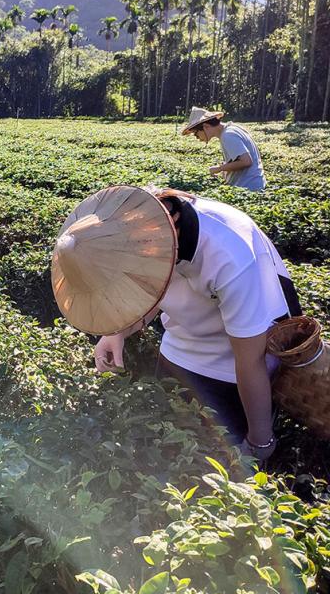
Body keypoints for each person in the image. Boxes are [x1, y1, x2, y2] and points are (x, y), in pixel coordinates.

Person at [51, 185, 301, 462]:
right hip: (179, 351)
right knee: (167, 454)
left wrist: (260, 440)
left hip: (232, 373)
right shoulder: (138, 234)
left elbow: (250, 361)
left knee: (222, 466)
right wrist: (118, 333)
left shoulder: (231, 255)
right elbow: (145, 289)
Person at [182, 107, 266, 192]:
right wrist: (225, 169)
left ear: (206, 126)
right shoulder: (232, 128)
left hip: (249, 187)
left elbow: (246, 161)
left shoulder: (228, 135)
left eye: (196, 134)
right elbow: (239, 160)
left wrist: (219, 168)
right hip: (252, 185)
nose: (197, 138)